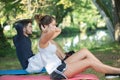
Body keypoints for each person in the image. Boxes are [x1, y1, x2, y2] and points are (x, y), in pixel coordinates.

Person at [35, 15, 120, 80]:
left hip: (60, 65)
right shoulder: (42, 40)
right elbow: (53, 31)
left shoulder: (47, 39)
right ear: (45, 26)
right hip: (58, 72)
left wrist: (49, 28)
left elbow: (58, 30)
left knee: (84, 51)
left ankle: (107, 70)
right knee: (89, 62)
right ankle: (117, 71)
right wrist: (47, 29)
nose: (55, 26)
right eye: (53, 24)